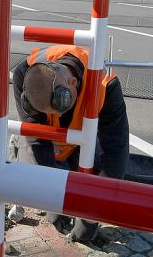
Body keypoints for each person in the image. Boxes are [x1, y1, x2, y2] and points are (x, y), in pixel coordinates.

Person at [11, 45, 129, 242]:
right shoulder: (25, 74)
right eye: (50, 111)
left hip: (81, 142)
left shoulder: (105, 84)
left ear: (72, 81)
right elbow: (37, 140)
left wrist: (92, 214)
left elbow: (116, 149)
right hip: (47, 141)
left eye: (61, 106)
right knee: (36, 182)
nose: (57, 115)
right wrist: (55, 199)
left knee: (95, 176)